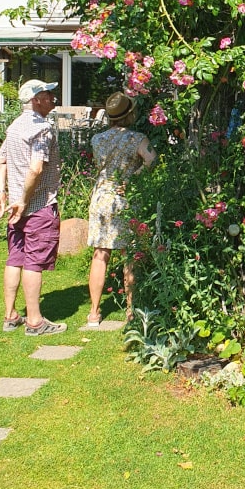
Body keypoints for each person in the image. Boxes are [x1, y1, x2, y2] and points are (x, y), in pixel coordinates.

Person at [0, 79, 67, 336]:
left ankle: (11, 315)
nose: (53, 99)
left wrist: (2, 193)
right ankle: (35, 322)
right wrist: (23, 199)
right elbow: (36, 167)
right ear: (36, 100)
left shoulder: (15, 127)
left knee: (15, 258)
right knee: (34, 262)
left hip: (16, 209)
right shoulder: (41, 129)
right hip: (36, 207)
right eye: (48, 95)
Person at [87, 92, 157, 327]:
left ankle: (94, 313)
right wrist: (134, 178)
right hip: (124, 198)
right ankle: (130, 310)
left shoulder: (97, 139)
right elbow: (152, 160)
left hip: (100, 198)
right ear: (130, 114)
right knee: (129, 255)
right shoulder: (137, 138)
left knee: (100, 254)